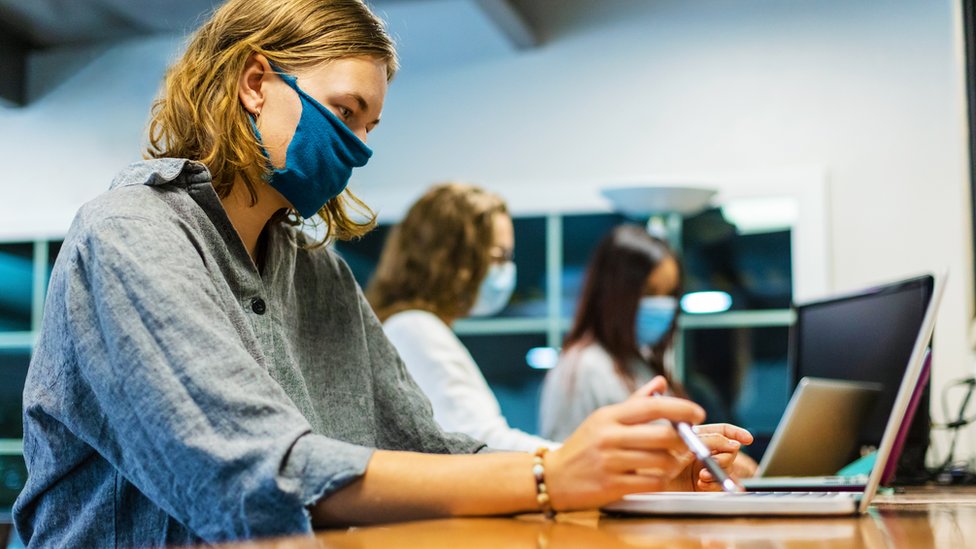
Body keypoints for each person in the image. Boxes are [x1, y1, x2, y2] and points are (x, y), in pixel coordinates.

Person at [13, 1, 752, 547]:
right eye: (346, 111)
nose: (360, 147)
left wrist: (621, 467)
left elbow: (430, 451)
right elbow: (253, 479)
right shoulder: (130, 236)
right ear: (253, 82)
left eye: (371, 126)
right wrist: (551, 477)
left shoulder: (317, 270)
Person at [539, 225, 758, 477]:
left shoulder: (639, 363)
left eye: (669, 293)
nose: (661, 305)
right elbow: (570, 470)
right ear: (614, 293)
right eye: (649, 292)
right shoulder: (583, 368)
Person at [366, 182, 553, 452]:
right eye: (499, 257)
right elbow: (478, 445)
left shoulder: (416, 326)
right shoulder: (415, 329)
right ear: (455, 260)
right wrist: (574, 457)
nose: (506, 270)